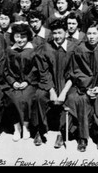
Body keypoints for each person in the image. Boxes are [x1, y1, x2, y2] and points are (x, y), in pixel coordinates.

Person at [64, 23, 98, 151]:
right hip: (83, 86)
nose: (91, 36)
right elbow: (76, 70)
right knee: (82, 100)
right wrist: (86, 88)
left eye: (94, 33)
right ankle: (83, 137)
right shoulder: (80, 49)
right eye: (89, 33)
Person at [32, 19, 76, 147]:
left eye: (60, 33)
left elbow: (74, 72)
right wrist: (51, 90)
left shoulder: (74, 48)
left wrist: (63, 92)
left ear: (66, 32)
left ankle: (63, 132)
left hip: (68, 83)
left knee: (72, 97)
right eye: (55, 33)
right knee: (40, 96)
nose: (57, 36)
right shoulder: (46, 47)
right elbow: (44, 72)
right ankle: (41, 131)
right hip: (49, 83)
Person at [2, 23, 38, 142]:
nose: (20, 40)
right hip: (13, 82)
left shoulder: (33, 50)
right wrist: (12, 82)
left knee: (27, 98)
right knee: (12, 98)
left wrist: (27, 81)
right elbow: (6, 69)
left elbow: (36, 69)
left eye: (23, 37)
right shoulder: (10, 51)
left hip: (30, 82)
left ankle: (25, 127)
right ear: (13, 37)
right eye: (17, 37)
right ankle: (16, 128)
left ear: (28, 37)